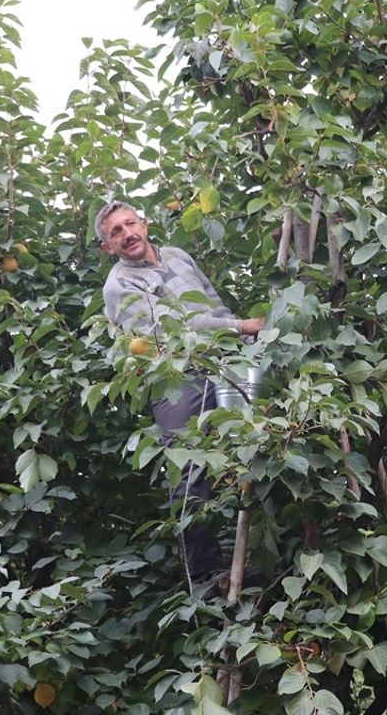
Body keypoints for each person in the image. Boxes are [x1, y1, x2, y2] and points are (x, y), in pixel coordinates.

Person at [97, 200, 263, 587]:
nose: (127, 234)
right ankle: (206, 575)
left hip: (224, 362)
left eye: (130, 224)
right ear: (108, 248)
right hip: (175, 377)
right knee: (188, 468)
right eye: (116, 233)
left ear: (145, 223)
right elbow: (171, 328)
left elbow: (212, 304)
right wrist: (242, 326)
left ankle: (263, 552)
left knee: (258, 446)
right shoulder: (119, 284)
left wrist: (241, 341)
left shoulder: (178, 255)